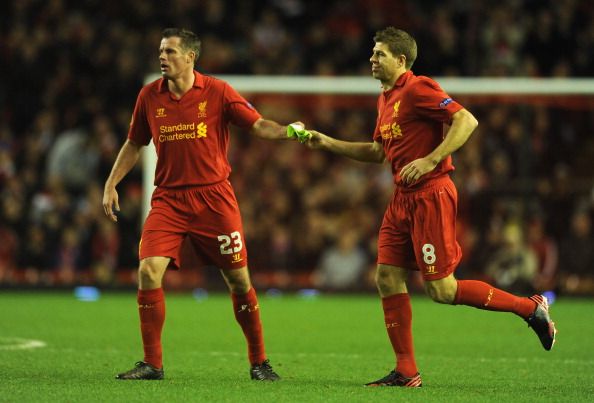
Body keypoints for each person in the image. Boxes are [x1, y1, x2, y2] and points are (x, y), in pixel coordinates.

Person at [303, 27, 557, 387]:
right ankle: (406, 371)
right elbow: (378, 153)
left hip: (431, 194)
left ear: (401, 60)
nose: (372, 59)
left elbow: (467, 120)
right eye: (373, 53)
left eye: (379, 54)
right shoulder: (385, 98)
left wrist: (431, 158)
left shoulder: (418, 88)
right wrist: (327, 142)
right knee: (387, 276)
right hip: (402, 199)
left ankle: (530, 308)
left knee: (442, 290)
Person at [102, 28, 296, 381]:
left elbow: (258, 125)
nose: (163, 57)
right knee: (147, 271)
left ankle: (259, 362)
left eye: (171, 52)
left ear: (190, 57)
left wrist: (288, 131)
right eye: (161, 51)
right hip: (169, 200)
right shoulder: (149, 96)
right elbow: (134, 143)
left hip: (214, 199)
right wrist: (111, 183)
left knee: (238, 280)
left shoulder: (218, 92)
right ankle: (152, 364)